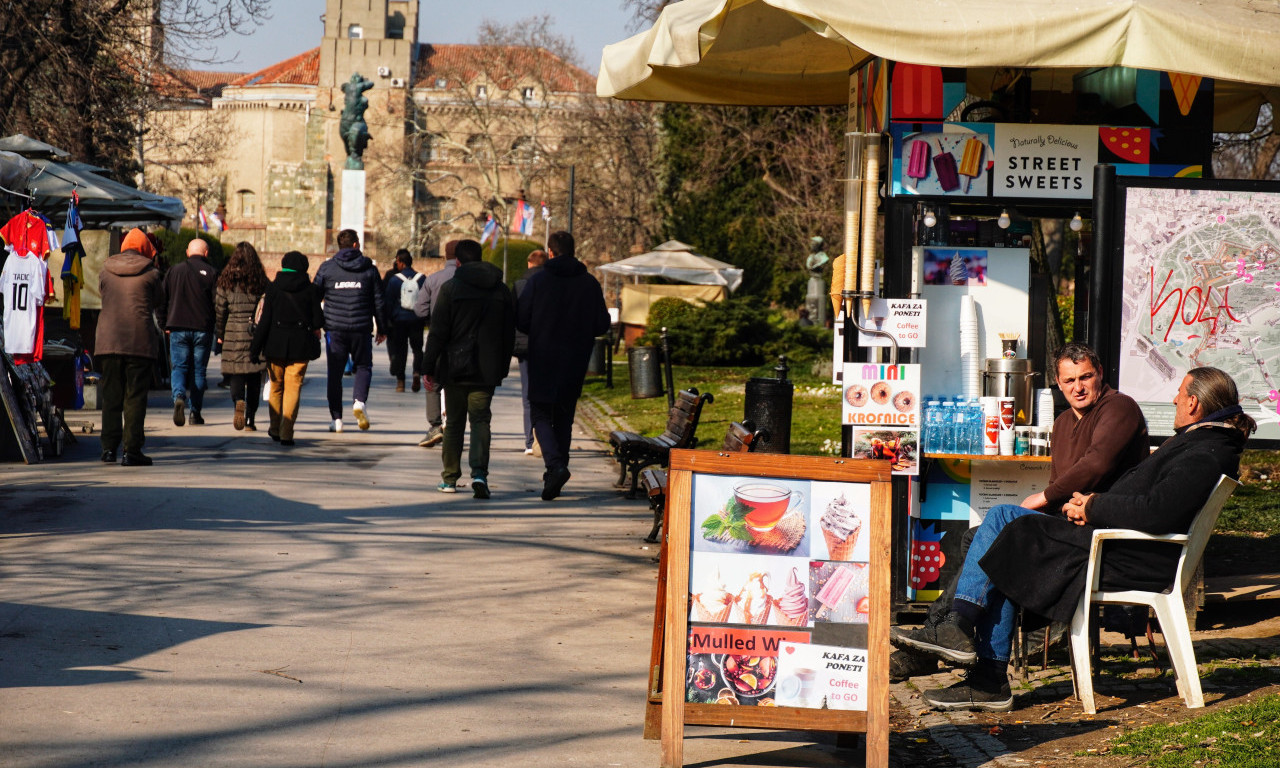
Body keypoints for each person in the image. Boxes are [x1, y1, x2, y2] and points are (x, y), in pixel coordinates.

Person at [896, 366, 1255, 713]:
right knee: (999, 537)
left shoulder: (1207, 449)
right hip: (1115, 544)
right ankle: (974, 658)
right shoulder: (1203, 443)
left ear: (1193, 403)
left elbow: (1157, 512)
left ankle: (963, 634)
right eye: (1069, 380)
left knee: (1003, 519)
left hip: (1121, 554)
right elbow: (1152, 503)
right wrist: (1089, 506)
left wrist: (1094, 506)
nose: (1174, 398)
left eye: (1179, 394)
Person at [892, 342, 1149, 680]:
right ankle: (961, 643)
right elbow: (1066, 489)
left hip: (1101, 536)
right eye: (1069, 380)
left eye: (1086, 377)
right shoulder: (1061, 423)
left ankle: (956, 638)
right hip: (1069, 526)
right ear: (1058, 382)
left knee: (1000, 521)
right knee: (979, 538)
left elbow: (1097, 464)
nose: (1078, 387)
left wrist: (1042, 496)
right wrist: (1057, 501)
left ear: (1099, 374)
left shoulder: (1119, 408)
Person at [515, 230, 610, 501]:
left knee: (541, 413)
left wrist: (539, 328)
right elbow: (602, 324)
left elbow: (521, 318)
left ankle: (555, 466)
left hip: (543, 355)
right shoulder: (588, 283)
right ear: (574, 249)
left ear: (551, 252)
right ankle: (556, 471)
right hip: (575, 357)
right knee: (564, 417)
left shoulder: (538, 281)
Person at [420, 239, 515, 498]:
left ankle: (449, 478)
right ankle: (480, 474)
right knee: (481, 419)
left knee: (454, 424)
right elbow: (509, 333)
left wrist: (428, 367)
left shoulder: (451, 289)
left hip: (454, 366)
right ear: (481, 258)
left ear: (458, 262)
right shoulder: (500, 290)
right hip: (487, 367)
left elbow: (438, 332)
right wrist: (502, 366)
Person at [96, 228, 165, 466]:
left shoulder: (106, 269)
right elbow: (158, 300)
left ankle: (108, 449)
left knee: (111, 397)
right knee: (135, 397)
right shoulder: (152, 273)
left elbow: (102, 293)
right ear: (146, 249)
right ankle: (131, 450)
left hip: (108, 340)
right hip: (139, 341)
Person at [314, 229, 385, 432]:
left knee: (334, 374)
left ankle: (336, 419)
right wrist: (382, 327)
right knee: (363, 366)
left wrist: (317, 324)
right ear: (355, 245)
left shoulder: (327, 269)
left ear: (340, 245)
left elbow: (314, 296)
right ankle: (359, 403)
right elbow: (379, 301)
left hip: (334, 329)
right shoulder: (369, 270)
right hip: (361, 328)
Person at [250, 251, 323, 446]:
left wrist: (254, 348)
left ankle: (274, 428)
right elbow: (318, 320)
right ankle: (287, 432)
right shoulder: (311, 290)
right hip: (301, 346)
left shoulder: (273, 288)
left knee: (276, 386)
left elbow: (264, 321)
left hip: (275, 345)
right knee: (293, 387)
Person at [163, 238, 219, 427]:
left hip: (177, 326)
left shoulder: (174, 271)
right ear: (206, 253)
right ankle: (195, 412)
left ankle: (179, 396)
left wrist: (165, 323)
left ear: (187, 252)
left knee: (179, 367)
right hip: (202, 328)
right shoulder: (211, 273)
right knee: (198, 370)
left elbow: (162, 300)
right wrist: (217, 328)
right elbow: (217, 304)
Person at [214, 242, 270, 431]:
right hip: (255, 332)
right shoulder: (260, 279)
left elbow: (220, 310)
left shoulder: (226, 279)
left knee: (236, 373)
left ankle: (238, 400)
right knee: (254, 376)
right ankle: (250, 419)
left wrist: (220, 333)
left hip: (232, 331)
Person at [413, 240, 459, 447]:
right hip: (465, 339)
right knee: (458, 384)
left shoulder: (433, 279)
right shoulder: (470, 280)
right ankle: (454, 422)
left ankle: (435, 426)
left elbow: (420, 310)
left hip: (438, 337)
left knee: (433, 382)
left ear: (445, 256)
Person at [512, 248, 547, 455]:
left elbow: (515, 317)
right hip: (549, 345)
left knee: (527, 395)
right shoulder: (553, 284)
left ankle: (529, 440)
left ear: (528, 263)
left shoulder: (519, 284)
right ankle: (544, 438)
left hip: (526, 345)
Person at [384, 248, 426, 393]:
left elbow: (388, 302)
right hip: (416, 319)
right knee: (417, 349)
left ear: (400, 262)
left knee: (401, 350)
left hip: (399, 320)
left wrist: (387, 321)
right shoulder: (422, 278)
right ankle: (416, 373)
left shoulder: (395, 279)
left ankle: (400, 382)